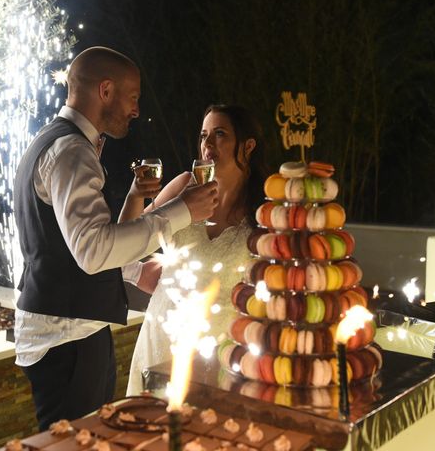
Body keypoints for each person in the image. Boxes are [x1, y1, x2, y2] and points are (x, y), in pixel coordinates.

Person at [13, 46, 218, 430]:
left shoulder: (53, 140)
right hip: (69, 337)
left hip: (65, 333)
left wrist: (135, 202)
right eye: (133, 97)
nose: (137, 109)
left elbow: (83, 242)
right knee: (78, 442)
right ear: (105, 90)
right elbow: (91, 252)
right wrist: (181, 211)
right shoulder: (72, 151)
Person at [124, 104, 268, 395]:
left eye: (220, 134)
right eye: (204, 135)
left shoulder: (262, 211)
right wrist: (135, 194)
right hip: (160, 337)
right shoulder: (183, 186)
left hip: (217, 354)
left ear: (248, 145)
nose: (208, 144)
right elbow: (127, 241)